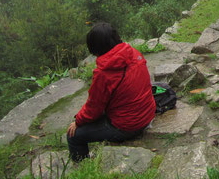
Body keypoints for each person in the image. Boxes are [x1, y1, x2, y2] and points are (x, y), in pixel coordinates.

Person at [67, 22, 156, 162]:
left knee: (73, 136)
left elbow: (94, 108)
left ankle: (83, 167)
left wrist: (78, 121)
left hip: (127, 126)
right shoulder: (133, 53)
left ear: (95, 48)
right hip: (147, 113)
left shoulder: (104, 73)